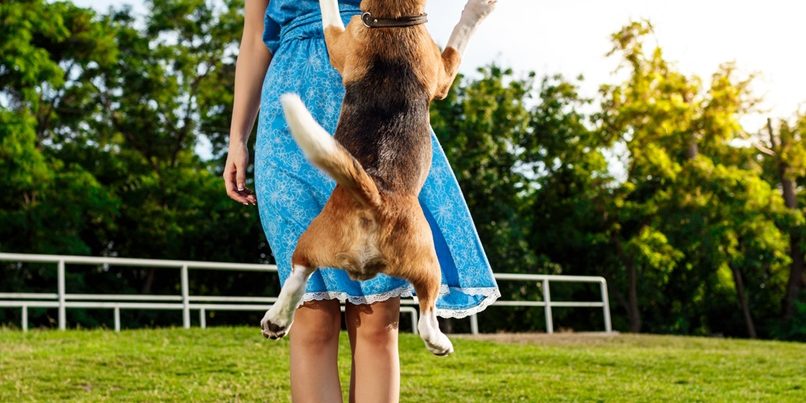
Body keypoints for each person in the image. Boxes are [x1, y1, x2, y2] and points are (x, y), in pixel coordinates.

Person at [223, 0, 500, 401]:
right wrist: (236, 138)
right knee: (310, 315)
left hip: (382, 107)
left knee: (378, 318)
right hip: (288, 122)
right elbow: (253, 40)